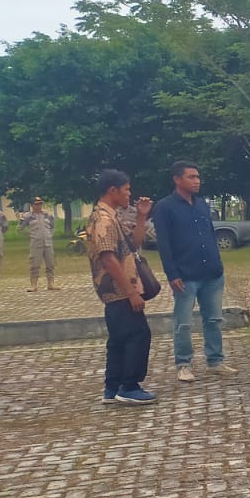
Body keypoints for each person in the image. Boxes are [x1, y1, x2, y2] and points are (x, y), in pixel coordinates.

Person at [152, 161, 237, 383]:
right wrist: (172, 274)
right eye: (191, 177)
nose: (197, 181)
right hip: (185, 275)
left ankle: (215, 361)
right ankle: (183, 364)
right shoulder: (165, 207)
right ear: (177, 179)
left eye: (198, 177)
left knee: (214, 319)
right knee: (184, 322)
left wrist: (218, 264)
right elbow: (164, 244)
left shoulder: (201, 204)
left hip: (212, 273)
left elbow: (209, 233)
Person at [88, 170, 156, 405]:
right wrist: (131, 293)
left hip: (118, 289)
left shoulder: (112, 216)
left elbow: (133, 245)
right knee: (139, 334)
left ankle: (112, 387)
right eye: (127, 189)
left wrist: (141, 217)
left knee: (118, 338)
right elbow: (108, 259)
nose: (130, 194)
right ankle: (129, 386)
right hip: (118, 289)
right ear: (112, 190)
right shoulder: (103, 220)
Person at [19, 199, 59, 291]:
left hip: (48, 243)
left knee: (51, 263)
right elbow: (20, 228)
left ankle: (51, 283)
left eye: (40, 204)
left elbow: (53, 227)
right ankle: (33, 284)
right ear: (32, 205)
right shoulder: (27, 216)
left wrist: (50, 234)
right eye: (36, 204)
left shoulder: (48, 215)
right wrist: (30, 235)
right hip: (36, 243)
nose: (38, 206)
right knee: (35, 264)